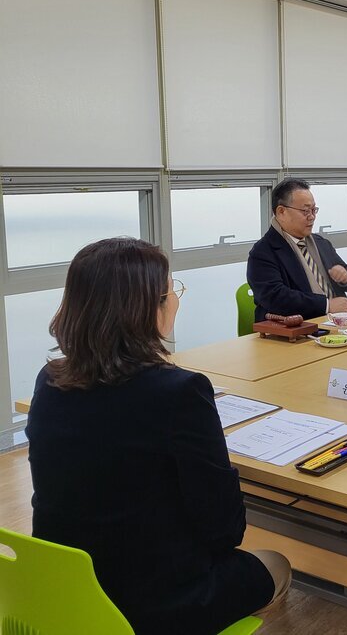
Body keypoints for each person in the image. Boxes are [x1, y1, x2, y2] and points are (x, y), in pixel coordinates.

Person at [26, 238, 291, 635]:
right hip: (154, 605)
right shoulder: (179, 393)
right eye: (170, 292)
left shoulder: (50, 380)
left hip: (64, 589)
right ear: (144, 309)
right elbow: (225, 532)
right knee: (277, 564)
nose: (176, 302)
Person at [247, 178, 347, 321]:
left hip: (337, 321)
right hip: (296, 328)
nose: (311, 217)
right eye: (305, 211)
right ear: (281, 212)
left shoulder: (319, 242)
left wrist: (346, 276)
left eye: (314, 210)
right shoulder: (263, 252)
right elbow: (275, 297)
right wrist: (326, 305)